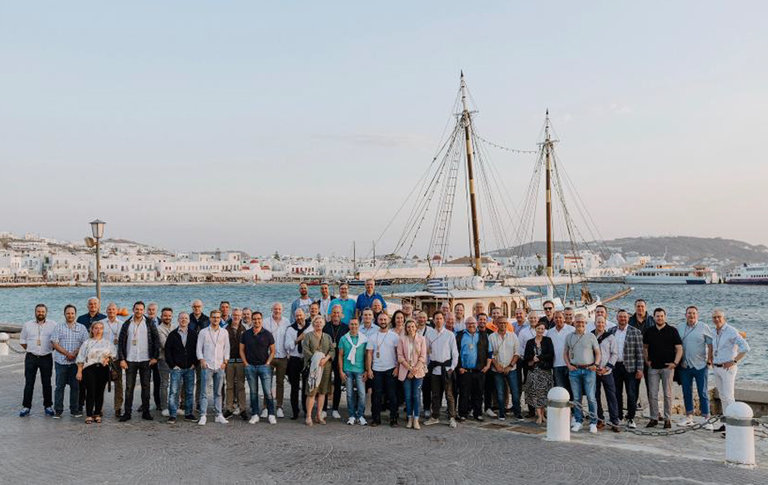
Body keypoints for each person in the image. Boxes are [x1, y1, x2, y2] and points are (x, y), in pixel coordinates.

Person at [117, 301, 160, 422]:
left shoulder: (149, 323)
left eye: (141, 309)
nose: (139, 311)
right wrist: (122, 359)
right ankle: (127, 413)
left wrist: (155, 357)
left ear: (144, 310)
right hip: (130, 360)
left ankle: (146, 412)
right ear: (133, 309)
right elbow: (121, 342)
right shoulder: (127, 323)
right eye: (137, 309)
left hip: (146, 359)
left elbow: (156, 340)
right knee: (129, 387)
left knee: (146, 387)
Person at [642, 308, 683, 429]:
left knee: (667, 394)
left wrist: (675, 363)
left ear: (665, 317)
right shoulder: (649, 331)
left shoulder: (672, 330)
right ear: (654, 317)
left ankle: (667, 419)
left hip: (668, 368)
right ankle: (654, 418)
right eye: (657, 316)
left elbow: (679, 348)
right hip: (653, 368)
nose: (659, 318)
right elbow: (645, 347)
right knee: (652, 394)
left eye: (661, 316)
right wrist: (647, 360)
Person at [711, 309, 750, 432]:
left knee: (729, 397)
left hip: (728, 369)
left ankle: (733, 426)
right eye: (714, 317)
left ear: (724, 318)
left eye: (719, 317)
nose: (717, 319)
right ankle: (726, 424)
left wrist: (734, 361)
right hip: (716, 368)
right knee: (722, 396)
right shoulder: (713, 332)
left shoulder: (731, 331)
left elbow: (745, 347)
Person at [678, 306, 714, 429]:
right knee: (686, 392)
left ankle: (706, 419)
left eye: (693, 313)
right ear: (685, 315)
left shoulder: (704, 327)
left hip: (701, 366)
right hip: (685, 366)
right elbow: (676, 345)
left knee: (702, 392)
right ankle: (689, 417)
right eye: (689, 313)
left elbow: (710, 345)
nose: (691, 315)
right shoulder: (680, 327)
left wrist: (709, 360)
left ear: (697, 315)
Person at [19, 304, 58, 417]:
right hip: (31, 357)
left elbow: (56, 341)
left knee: (47, 383)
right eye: (38, 311)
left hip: (46, 357)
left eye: (42, 311)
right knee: (29, 383)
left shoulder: (53, 325)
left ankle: (48, 406)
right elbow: (22, 341)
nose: (40, 313)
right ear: (35, 312)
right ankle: (26, 407)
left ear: (46, 312)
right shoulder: (27, 325)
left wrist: (49, 349)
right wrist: (32, 349)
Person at [564, 314, 600, 433]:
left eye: (582, 322)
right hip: (574, 370)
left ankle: (593, 423)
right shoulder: (569, 336)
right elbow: (565, 353)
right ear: (574, 323)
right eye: (578, 322)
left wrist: (596, 364)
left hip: (589, 370)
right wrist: (568, 365)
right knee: (576, 397)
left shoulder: (591, 336)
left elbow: (598, 352)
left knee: (591, 397)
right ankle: (578, 421)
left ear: (585, 323)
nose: (580, 324)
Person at [51, 304, 89, 418]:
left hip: (75, 363)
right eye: (68, 313)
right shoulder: (58, 327)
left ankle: (74, 410)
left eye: (72, 313)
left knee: (75, 387)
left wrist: (75, 353)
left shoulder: (81, 328)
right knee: (59, 387)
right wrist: (67, 354)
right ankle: (58, 410)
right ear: (64, 314)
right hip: (61, 362)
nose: (70, 315)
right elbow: (54, 343)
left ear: (75, 314)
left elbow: (85, 343)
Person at [240, 311, 277, 425]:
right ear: (252, 320)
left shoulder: (268, 334)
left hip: (264, 367)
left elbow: (273, 351)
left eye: (258, 319)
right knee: (253, 392)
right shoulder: (246, 334)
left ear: (261, 319)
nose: (256, 321)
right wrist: (246, 363)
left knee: (268, 392)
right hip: (250, 367)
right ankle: (255, 414)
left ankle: (271, 414)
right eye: (254, 319)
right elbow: (241, 350)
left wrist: (268, 363)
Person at [423, 311, 458, 428]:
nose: (438, 321)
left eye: (440, 318)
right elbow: (426, 352)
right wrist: (426, 366)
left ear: (444, 320)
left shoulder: (450, 334)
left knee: (449, 395)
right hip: (434, 369)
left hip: (446, 369)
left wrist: (452, 367)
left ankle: (452, 417)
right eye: (436, 318)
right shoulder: (429, 334)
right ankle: (435, 416)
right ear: (433, 320)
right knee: (435, 394)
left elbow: (455, 353)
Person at [75, 321, 114, 423]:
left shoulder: (107, 343)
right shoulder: (87, 343)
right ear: (92, 330)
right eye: (96, 328)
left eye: (100, 328)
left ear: (103, 330)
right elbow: (80, 358)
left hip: (103, 369)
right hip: (89, 369)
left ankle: (97, 414)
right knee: (90, 391)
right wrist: (79, 372)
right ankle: (89, 415)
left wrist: (108, 358)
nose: (98, 330)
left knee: (100, 392)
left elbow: (114, 355)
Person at [196, 310, 230, 425]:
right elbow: (198, 348)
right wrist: (202, 360)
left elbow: (227, 348)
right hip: (207, 365)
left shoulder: (224, 332)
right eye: (214, 317)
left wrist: (225, 361)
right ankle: (203, 415)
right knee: (204, 392)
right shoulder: (203, 332)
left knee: (218, 392)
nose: (216, 319)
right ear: (210, 318)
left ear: (220, 319)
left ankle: (218, 415)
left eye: (218, 317)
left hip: (220, 365)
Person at [612, 309, 644, 429]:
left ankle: (631, 418)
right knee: (617, 393)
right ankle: (619, 416)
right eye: (620, 317)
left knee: (631, 394)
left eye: (625, 317)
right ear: (617, 318)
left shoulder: (635, 332)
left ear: (628, 318)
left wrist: (640, 369)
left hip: (630, 368)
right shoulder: (611, 331)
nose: (622, 319)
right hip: (615, 367)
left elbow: (640, 352)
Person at [366, 313, 399, 427]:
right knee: (376, 395)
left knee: (392, 395)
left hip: (391, 369)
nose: (383, 321)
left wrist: (397, 367)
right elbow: (369, 354)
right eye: (381, 319)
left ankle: (393, 419)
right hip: (376, 370)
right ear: (377, 321)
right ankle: (376, 419)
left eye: (385, 319)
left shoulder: (394, 336)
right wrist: (369, 369)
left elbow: (398, 353)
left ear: (388, 320)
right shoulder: (372, 336)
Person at [456, 317, 491, 421]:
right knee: (464, 393)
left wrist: (487, 366)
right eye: (469, 323)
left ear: (476, 324)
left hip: (479, 370)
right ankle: (463, 414)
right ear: (465, 324)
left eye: (473, 323)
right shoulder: (460, 335)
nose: (471, 325)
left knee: (479, 393)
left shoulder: (483, 335)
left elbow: (489, 352)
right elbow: (455, 352)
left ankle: (478, 413)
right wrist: (459, 367)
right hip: (465, 370)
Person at [165, 312, 198, 423]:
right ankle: (172, 414)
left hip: (190, 368)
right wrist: (172, 365)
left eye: (186, 318)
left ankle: (188, 413)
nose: (183, 320)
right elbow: (167, 351)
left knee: (189, 392)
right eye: (181, 318)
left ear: (189, 320)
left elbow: (198, 349)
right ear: (178, 320)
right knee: (174, 392)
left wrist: (195, 363)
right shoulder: (173, 334)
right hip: (176, 369)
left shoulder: (194, 334)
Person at [302, 315, 334, 426]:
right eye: (316, 322)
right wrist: (316, 359)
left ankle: (319, 415)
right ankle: (308, 416)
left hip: (325, 366)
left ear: (323, 324)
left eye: (321, 322)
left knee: (322, 391)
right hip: (313, 367)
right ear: (313, 324)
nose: (319, 324)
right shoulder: (308, 336)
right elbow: (305, 350)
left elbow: (332, 350)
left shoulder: (327, 337)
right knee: (312, 391)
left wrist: (325, 359)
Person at [489, 316, 522, 421]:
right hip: (497, 369)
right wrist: (497, 366)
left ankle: (517, 412)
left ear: (507, 324)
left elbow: (517, 353)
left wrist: (510, 366)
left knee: (515, 392)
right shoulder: (491, 337)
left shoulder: (513, 336)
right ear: (496, 324)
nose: (503, 325)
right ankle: (501, 412)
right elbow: (490, 354)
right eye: (500, 323)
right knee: (500, 392)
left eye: (504, 323)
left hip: (511, 369)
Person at [397, 319, 427, 429]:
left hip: (418, 372)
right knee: (408, 397)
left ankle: (416, 419)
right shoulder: (402, 339)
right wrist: (409, 369)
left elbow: (423, 357)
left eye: (413, 326)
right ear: (406, 328)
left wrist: (414, 370)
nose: (411, 328)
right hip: (405, 371)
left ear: (416, 327)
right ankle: (409, 418)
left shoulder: (422, 339)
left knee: (416, 396)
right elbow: (400, 356)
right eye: (408, 326)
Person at [523, 321, 554, 425]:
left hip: (545, 371)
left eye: (542, 329)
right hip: (533, 372)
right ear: (535, 329)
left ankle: (543, 415)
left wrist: (539, 358)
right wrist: (532, 358)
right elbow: (526, 356)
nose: (540, 330)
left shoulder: (548, 340)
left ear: (544, 330)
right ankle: (539, 416)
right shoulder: (530, 342)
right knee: (535, 393)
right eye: (538, 328)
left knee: (544, 393)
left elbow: (551, 354)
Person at [338, 318, 368, 425]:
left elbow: (366, 356)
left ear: (359, 325)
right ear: (349, 325)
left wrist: (367, 370)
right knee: (349, 394)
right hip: (347, 370)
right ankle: (351, 416)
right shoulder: (343, 338)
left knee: (362, 394)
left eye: (355, 324)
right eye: (352, 324)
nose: (354, 326)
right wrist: (341, 371)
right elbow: (340, 355)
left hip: (360, 370)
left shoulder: (364, 339)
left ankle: (360, 415)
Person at [593, 316, 620, 432]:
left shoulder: (610, 337)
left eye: (602, 322)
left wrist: (607, 368)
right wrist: (594, 367)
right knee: (595, 396)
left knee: (611, 396)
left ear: (605, 324)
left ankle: (614, 421)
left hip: (607, 372)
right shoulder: (590, 336)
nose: (600, 324)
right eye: (598, 322)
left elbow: (615, 354)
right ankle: (600, 419)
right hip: (594, 371)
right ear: (595, 323)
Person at [264, 303, 290, 418]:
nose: (277, 311)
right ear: (271, 309)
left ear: (282, 310)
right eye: (275, 309)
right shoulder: (265, 322)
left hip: (282, 356)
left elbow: (289, 338)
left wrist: (289, 353)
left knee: (280, 383)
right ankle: (265, 407)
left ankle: (279, 407)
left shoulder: (286, 322)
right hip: (269, 357)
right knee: (267, 383)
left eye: (279, 309)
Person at [323, 304, 349, 419]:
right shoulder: (325, 326)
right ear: (330, 314)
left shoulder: (346, 328)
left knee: (338, 384)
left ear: (342, 315)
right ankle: (323, 408)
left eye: (338, 313)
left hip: (340, 359)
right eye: (334, 312)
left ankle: (335, 409)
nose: (336, 315)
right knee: (325, 383)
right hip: (327, 358)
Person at [99, 303, 124, 417]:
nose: (111, 311)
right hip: (103, 358)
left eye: (113, 309)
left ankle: (118, 408)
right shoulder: (101, 323)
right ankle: (99, 407)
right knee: (101, 384)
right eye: (109, 309)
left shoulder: (122, 324)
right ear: (106, 311)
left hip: (116, 358)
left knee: (118, 384)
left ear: (117, 311)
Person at [285, 308, 309, 420]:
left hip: (305, 359)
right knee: (294, 387)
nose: (299, 317)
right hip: (294, 359)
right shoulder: (290, 329)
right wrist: (297, 340)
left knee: (306, 387)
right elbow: (287, 346)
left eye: (301, 315)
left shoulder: (310, 327)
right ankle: (295, 411)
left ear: (304, 315)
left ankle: (306, 409)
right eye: (297, 316)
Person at [224, 308, 248, 421]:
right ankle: (229, 408)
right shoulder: (225, 329)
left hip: (240, 361)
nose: (236, 317)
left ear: (241, 316)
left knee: (241, 386)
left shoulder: (245, 329)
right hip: (229, 361)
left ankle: (242, 409)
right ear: (231, 316)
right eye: (234, 315)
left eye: (238, 315)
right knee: (229, 386)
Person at [547, 310, 575, 398]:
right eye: (556, 317)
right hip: (556, 364)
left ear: (564, 318)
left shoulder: (571, 330)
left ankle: (573, 406)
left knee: (572, 389)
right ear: (553, 319)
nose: (558, 319)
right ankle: (563, 407)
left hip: (570, 364)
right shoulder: (549, 332)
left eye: (560, 317)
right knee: (560, 390)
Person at [416, 311, 436, 418]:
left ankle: (427, 408)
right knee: (416, 388)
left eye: (424, 317)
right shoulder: (413, 329)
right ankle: (415, 408)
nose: (422, 319)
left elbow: (435, 345)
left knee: (427, 387)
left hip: (427, 363)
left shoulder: (431, 331)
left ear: (426, 318)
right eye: (420, 317)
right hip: (415, 364)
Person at [155, 307, 174, 417]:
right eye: (165, 315)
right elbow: (164, 345)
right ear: (161, 317)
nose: (167, 317)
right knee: (164, 384)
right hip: (164, 359)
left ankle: (173, 405)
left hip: (175, 360)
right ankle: (164, 407)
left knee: (176, 383)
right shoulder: (158, 329)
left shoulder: (175, 327)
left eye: (169, 316)